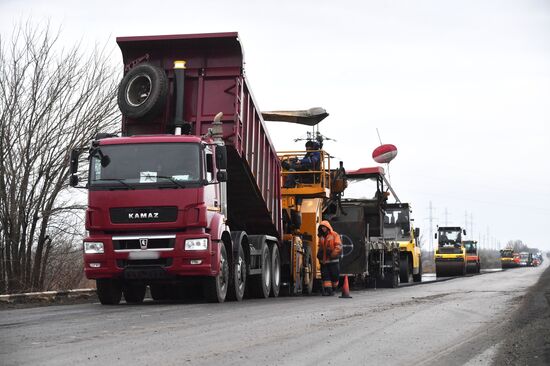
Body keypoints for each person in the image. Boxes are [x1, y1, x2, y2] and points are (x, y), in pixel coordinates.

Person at [316, 220, 342, 296]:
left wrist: (332, 254)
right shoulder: (321, 237)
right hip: (324, 261)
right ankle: (329, 291)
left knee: (335, 276)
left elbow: (338, 246)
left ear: (328, 227)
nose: (323, 229)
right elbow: (320, 246)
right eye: (322, 227)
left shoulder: (334, 235)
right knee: (325, 276)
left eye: (324, 227)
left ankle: (334, 288)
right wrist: (319, 254)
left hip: (333, 261)